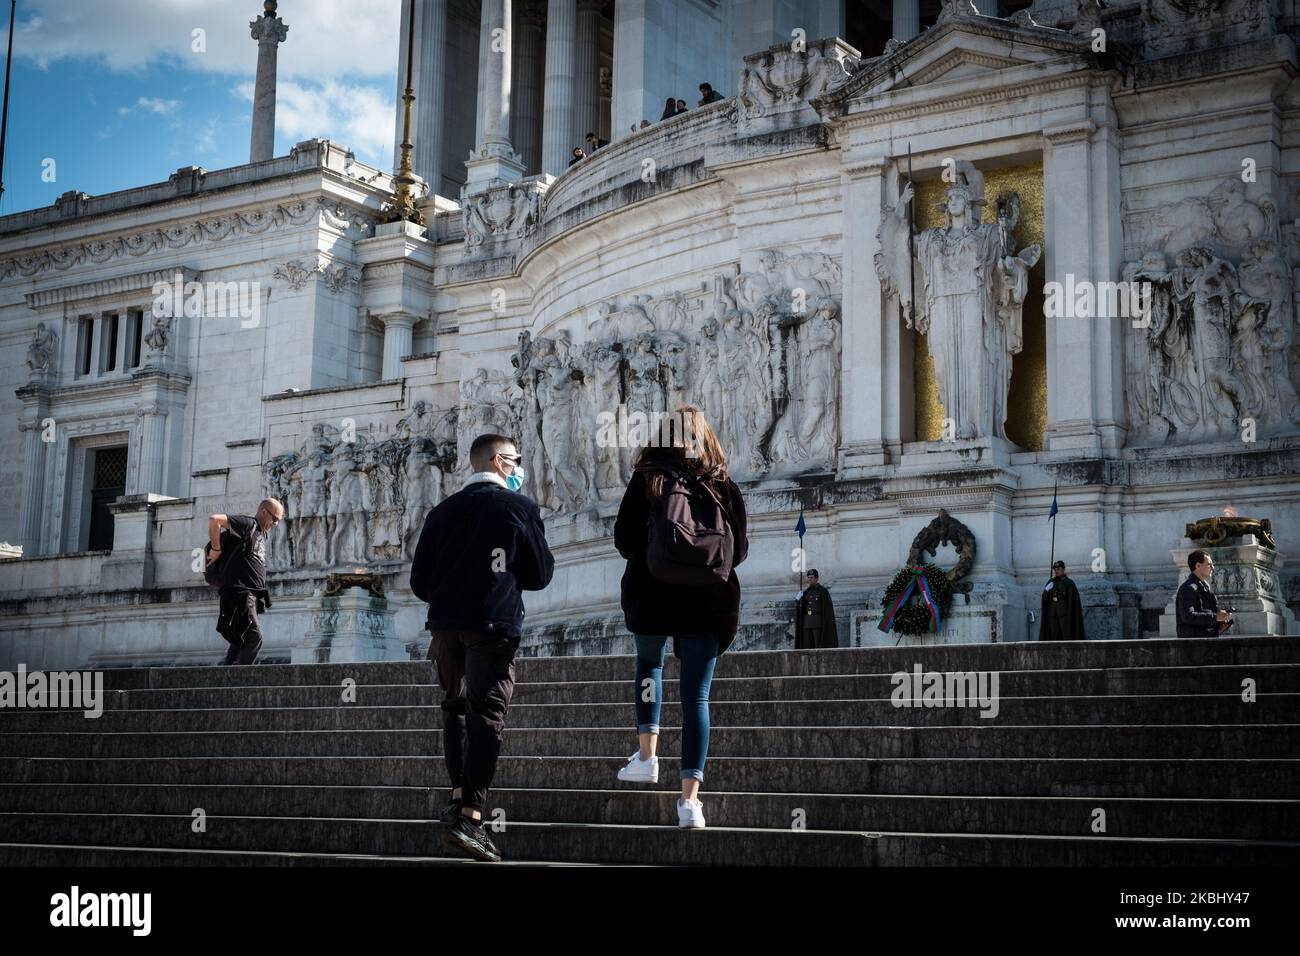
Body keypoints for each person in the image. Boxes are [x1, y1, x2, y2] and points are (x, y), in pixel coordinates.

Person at [410, 433, 555, 862]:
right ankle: (472, 817)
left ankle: (458, 798)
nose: (518, 467)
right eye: (515, 460)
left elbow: (420, 581)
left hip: (446, 627)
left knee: (455, 708)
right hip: (492, 624)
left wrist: (453, 589)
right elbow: (540, 572)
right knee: (487, 713)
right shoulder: (518, 508)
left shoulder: (441, 512)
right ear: (496, 461)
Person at [613, 405, 748, 829]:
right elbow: (739, 549)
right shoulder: (721, 482)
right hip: (707, 600)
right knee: (697, 698)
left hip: (653, 594)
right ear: (704, 437)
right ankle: (690, 802)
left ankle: (648, 758)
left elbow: (623, 539)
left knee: (650, 665)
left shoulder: (649, 477)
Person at [207, 499, 283, 665]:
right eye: (275, 519)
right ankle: (241, 680)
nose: (276, 524)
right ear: (263, 512)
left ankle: (228, 680)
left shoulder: (261, 534)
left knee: (239, 640)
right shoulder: (248, 524)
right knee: (254, 638)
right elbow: (214, 520)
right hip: (239, 593)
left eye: (279, 520)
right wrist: (215, 548)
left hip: (249, 595)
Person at [1176, 549, 1231, 638]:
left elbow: (1206, 614)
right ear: (1198, 566)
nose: (1213, 567)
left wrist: (1219, 622)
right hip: (1194, 644)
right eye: (1209, 564)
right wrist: (1215, 617)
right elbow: (1188, 616)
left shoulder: (1205, 587)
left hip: (1206, 641)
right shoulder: (1188, 588)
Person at [1039, 560, 1085, 641]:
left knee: (1066, 634)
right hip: (1052, 613)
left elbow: (1073, 600)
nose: (1056, 571)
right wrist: (1046, 590)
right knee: (1054, 635)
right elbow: (1045, 599)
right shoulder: (1051, 582)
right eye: (1055, 569)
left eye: (1058, 569)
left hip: (1065, 614)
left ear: (1063, 569)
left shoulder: (1069, 583)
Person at [795, 569, 838, 648]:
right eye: (808, 577)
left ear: (817, 578)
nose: (810, 579)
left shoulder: (822, 591)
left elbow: (827, 608)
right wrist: (798, 600)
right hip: (807, 622)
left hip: (817, 622)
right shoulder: (806, 592)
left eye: (812, 577)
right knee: (806, 645)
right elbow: (801, 607)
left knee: (818, 645)